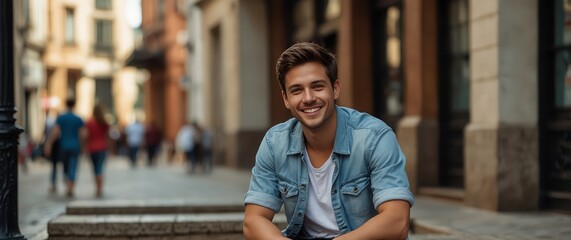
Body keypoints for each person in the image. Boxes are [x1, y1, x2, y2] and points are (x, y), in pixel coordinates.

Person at [243, 42, 414, 239]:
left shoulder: (374, 138)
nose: (308, 98)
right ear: (286, 98)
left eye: (317, 86)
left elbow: (397, 221)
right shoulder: (275, 143)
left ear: (335, 89)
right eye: (297, 90)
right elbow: (253, 221)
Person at [44, 98, 86, 197]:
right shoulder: (78, 119)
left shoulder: (61, 118)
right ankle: (70, 188)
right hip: (75, 146)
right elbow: (82, 134)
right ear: (74, 105)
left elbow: (55, 132)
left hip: (63, 146)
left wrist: (48, 143)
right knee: (73, 166)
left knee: (65, 166)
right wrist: (83, 147)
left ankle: (67, 185)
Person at [85, 104, 110, 197]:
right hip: (102, 148)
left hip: (92, 148)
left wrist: (85, 148)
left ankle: (97, 187)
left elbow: (86, 136)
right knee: (100, 169)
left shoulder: (89, 122)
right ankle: (100, 188)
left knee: (95, 169)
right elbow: (107, 137)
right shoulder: (105, 122)